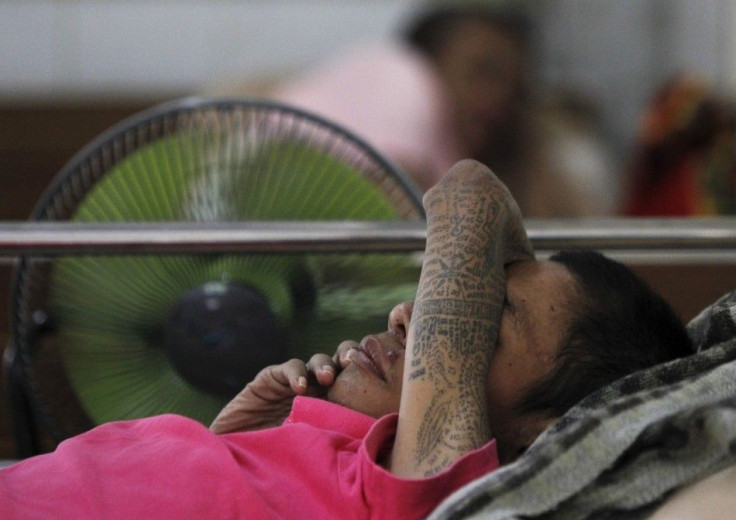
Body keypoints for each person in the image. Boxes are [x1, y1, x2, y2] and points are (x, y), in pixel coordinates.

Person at [0, 160, 690, 518]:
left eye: (488, 309)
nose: (404, 314)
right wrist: (229, 449)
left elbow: (470, 194)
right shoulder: (371, 469)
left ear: (544, 438)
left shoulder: (445, 492)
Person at [219, 1, 616, 216]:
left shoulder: (454, 153)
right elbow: (397, 194)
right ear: (431, 58)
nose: (499, 98)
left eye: (514, 88)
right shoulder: (400, 72)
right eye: (484, 71)